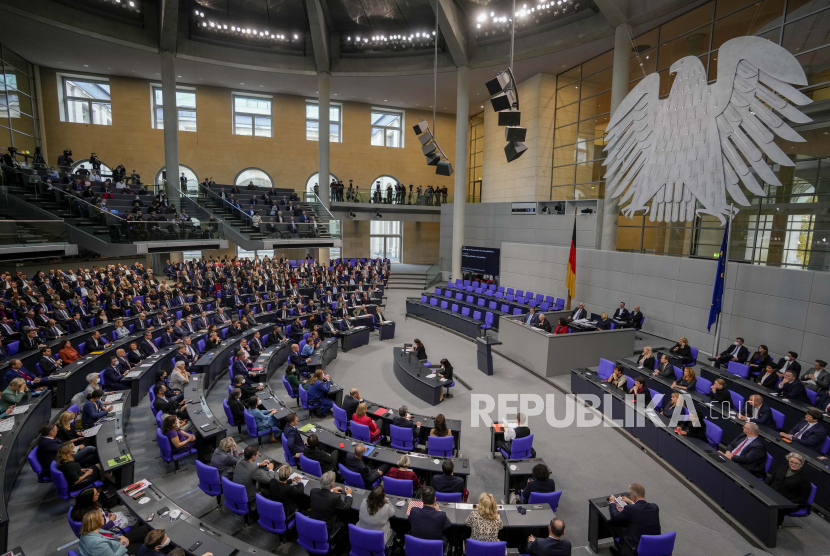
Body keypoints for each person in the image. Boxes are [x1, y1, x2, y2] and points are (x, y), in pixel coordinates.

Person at [608, 483, 661, 556]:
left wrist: (612, 503)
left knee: (612, 522)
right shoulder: (654, 507)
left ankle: (621, 551)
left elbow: (615, 517)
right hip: (655, 543)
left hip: (635, 547)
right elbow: (641, 510)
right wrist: (631, 502)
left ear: (633, 495)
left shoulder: (630, 509)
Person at [71, 487, 142, 539]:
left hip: (106, 519)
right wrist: (112, 520)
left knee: (126, 512)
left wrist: (107, 514)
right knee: (134, 517)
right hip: (108, 526)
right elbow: (101, 529)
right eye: (96, 494)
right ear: (90, 499)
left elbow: (101, 513)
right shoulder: (91, 515)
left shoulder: (82, 506)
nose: (98, 493)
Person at [766, 453, 814, 526]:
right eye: (791, 462)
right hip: (773, 493)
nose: (793, 464)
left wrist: (787, 502)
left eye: (796, 463)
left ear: (801, 465)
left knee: (776, 508)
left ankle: (773, 525)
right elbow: (772, 479)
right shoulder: (782, 468)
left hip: (787, 501)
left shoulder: (803, 479)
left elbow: (803, 497)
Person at [309, 470, 352, 535]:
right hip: (326, 528)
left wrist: (331, 490)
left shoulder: (313, 491)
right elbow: (346, 506)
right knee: (344, 522)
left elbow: (324, 493)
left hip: (312, 523)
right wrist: (349, 494)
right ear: (332, 484)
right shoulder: (335, 497)